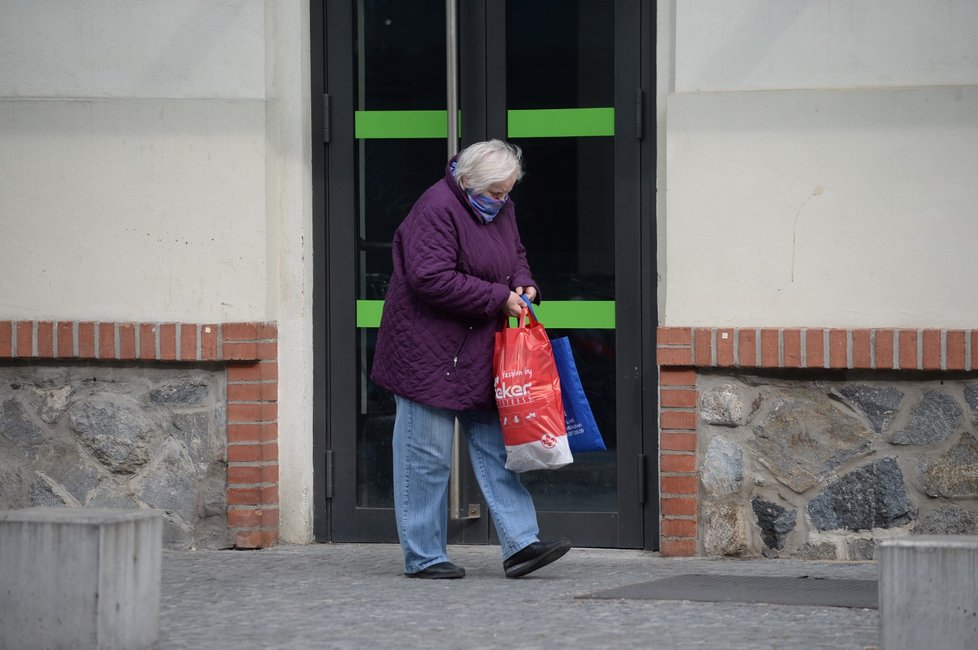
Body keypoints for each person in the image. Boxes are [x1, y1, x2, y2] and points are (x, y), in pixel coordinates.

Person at [371, 140, 572, 579]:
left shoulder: (500, 205)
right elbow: (430, 277)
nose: (503, 202)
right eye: (496, 193)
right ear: (467, 182)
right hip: (425, 350)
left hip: (479, 347)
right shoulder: (436, 207)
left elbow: (514, 253)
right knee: (425, 457)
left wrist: (524, 284)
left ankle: (521, 545)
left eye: (508, 193)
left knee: (499, 448)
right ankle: (424, 556)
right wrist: (499, 297)